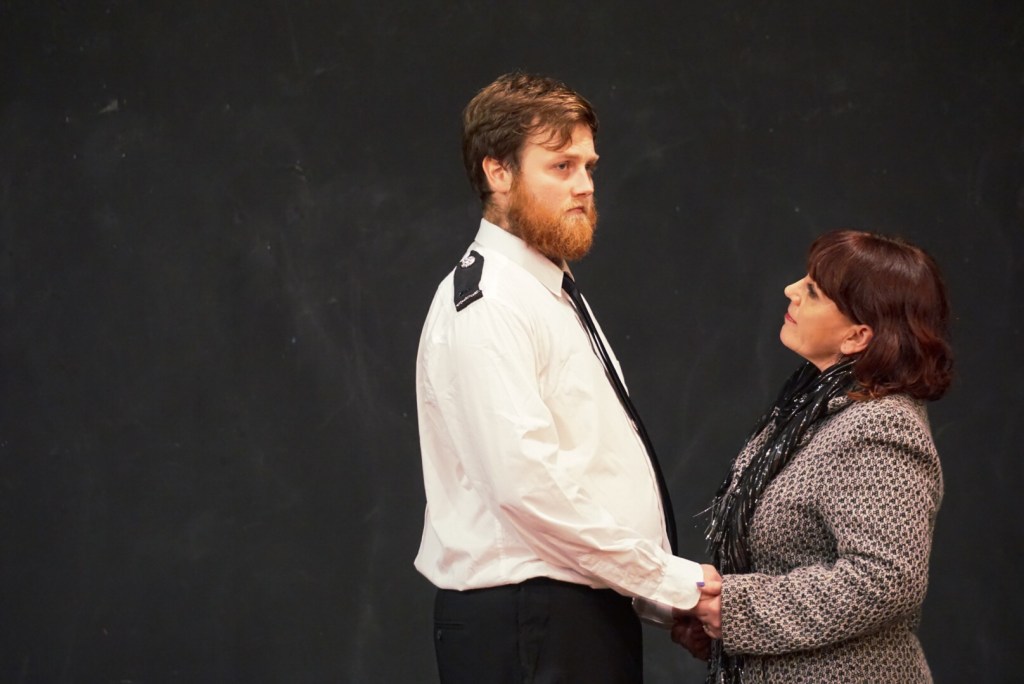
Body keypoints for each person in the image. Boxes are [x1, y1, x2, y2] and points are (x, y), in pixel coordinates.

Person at [414, 72, 719, 683]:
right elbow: (529, 490)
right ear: (498, 172)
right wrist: (674, 583)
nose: (584, 186)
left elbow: (589, 474)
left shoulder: (546, 289)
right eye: (561, 166)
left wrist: (659, 599)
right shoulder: (491, 305)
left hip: (570, 617)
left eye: (588, 167)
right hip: (530, 622)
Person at [671, 230, 953, 683]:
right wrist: (715, 621)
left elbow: (886, 578)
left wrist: (738, 609)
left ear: (858, 336)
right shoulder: (810, 410)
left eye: (814, 291)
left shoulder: (881, 426)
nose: (791, 290)